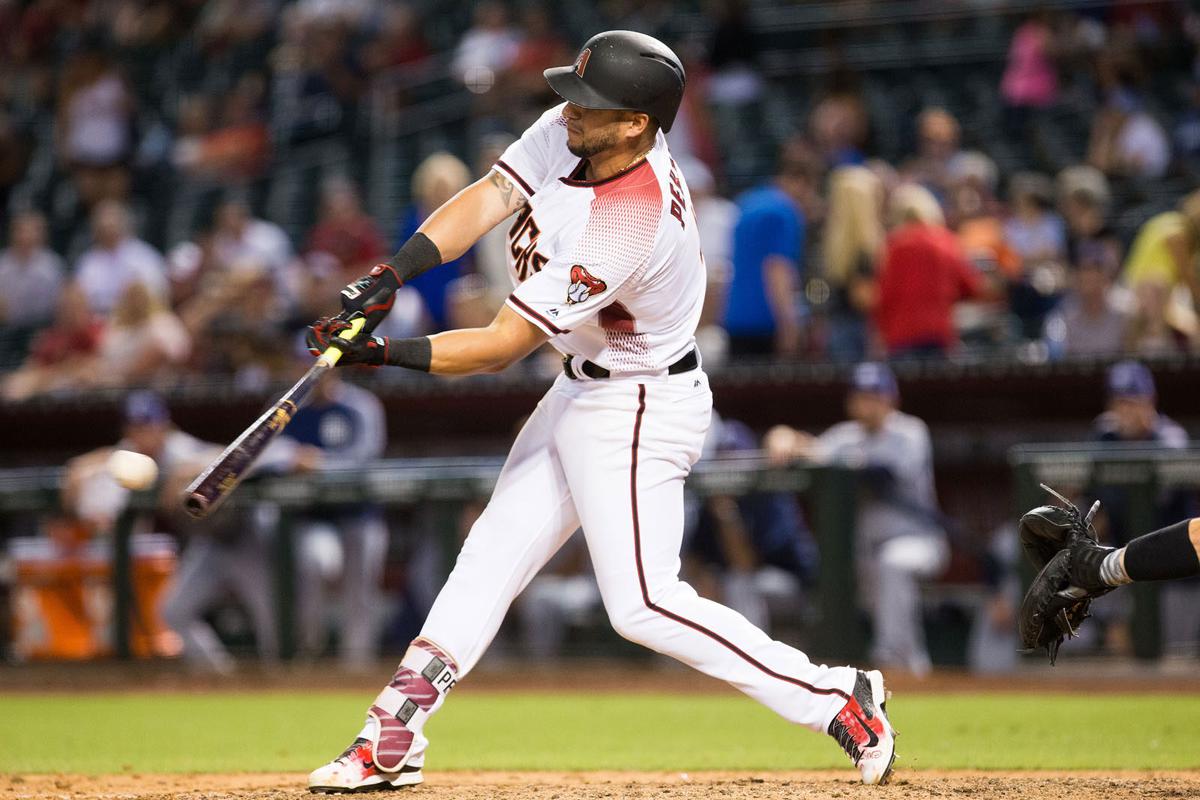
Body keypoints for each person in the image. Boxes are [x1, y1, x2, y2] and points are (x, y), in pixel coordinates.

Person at [301, 31, 896, 792]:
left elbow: (499, 345)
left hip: (641, 401)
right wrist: (390, 275)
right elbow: (491, 195)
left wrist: (375, 354)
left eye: (591, 104)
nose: (567, 111)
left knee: (643, 604)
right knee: (490, 554)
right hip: (582, 385)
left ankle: (838, 695)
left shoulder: (628, 218)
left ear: (635, 123)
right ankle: (393, 733)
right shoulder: (582, 131)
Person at [765, 363, 948, 676]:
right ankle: (916, 674)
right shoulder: (845, 437)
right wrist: (782, 436)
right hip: (866, 553)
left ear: (891, 399)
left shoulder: (910, 431)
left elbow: (880, 474)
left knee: (894, 565)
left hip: (917, 541)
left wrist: (830, 459)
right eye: (861, 396)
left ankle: (891, 664)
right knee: (890, 610)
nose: (867, 403)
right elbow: (805, 448)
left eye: (875, 395)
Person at [873, 184, 987, 358]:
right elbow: (971, 287)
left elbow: (884, 295)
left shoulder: (894, 245)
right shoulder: (946, 241)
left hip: (900, 335)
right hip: (938, 334)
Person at [723, 142, 812, 357]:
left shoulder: (748, 201)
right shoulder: (784, 211)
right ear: (800, 180)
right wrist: (789, 325)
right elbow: (777, 269)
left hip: (735, 316)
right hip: (765, 323)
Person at [820, 166, 884, 362]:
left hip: (836, 328)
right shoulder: (867, 247)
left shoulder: (830, 244)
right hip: (860, 332)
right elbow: (864, 299)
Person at [73, 200, 169, 316]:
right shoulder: (88, 261)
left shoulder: (144, 257)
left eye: (112, 225)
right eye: (103, 227)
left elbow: (158, 294)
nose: (107, 231)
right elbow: (78, 300)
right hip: (97, 322)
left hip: (136, 320)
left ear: (125, 225)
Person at [0, 210, 65, 331]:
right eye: (20, 231)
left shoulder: (51, 265)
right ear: (12, 234)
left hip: (44, 327)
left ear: (40, 235)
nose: (25, 237)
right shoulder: (3, 264)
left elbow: (59, 305)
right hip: (7, 328)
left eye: (30, 232)